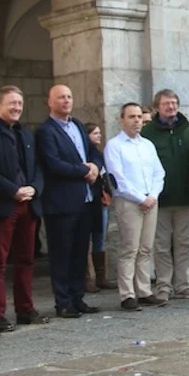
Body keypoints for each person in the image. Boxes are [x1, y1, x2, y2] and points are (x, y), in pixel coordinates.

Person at [0, 86, 49, 332]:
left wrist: (34, 188)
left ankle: (25, 309)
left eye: (20, 103)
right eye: (12, 103)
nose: (17, 107)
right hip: (4, 206)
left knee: (26, 260)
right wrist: (13, 190)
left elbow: (38, 167)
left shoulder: (26, 133)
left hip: (28, 205)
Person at [36, 85, 104, 319]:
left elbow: (93, 152)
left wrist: (95, 166)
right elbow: (53, 163)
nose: (66, 101)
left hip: (85, 200)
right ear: (50, 102)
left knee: (79, 254)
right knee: (61, 255)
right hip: (61, 203)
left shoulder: (77, 125)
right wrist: (84, 171)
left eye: (69, 97)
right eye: (60, 98)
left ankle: (77, 298)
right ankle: (63, 302)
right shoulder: (45, 131)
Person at [105, 102, 167, 311]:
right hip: (129, 202)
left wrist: (153, 195)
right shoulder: (115, 146)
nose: (137, 121)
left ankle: (144, 290)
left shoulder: (147, 145)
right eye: (131, 117)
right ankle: (127, 295)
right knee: (130, 249)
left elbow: (159, 173)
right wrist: (141, 198)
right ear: (122, 120)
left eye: (139, 117)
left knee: (146, 248)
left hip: (150, 201)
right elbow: (117, 178)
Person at [141, 89, 189, 301]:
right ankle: (163, 287)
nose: (171, 107)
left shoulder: (188, 130)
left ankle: (183, 285)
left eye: (174, 103)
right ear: (157, 107)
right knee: (162, 246)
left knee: (185, 244)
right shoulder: (147, 133)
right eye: (166, 103)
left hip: (185, 197)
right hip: (160, 199)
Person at [83, 123, 116, 291]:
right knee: (85, 239)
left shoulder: (98, 154)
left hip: (100, 201)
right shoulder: (83, 153)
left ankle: (101, 276)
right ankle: (86, 278)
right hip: (86, 200)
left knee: (100, 237)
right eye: (95, 133)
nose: (99, 136)